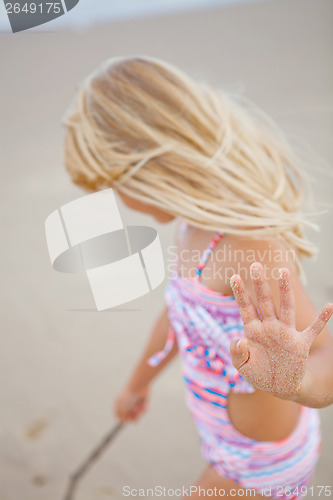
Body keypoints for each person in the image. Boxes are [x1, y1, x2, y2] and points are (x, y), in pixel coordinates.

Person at [63, 56, 333, 499]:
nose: (120, 201)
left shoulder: (246, 247)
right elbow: (178, 313)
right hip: (223, 445)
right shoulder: (191, 228)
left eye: (117, 186)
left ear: (153, 169)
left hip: (258, 463)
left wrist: (298, 380)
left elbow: (325, 352)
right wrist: (138, 382)